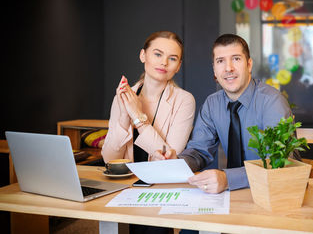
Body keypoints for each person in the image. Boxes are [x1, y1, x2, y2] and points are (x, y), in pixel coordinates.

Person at [153, 33, 293, 194]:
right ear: (214, 69)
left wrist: (228, 179)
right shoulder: (212, 104)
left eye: (236, 59)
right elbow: (199, 151)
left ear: (249, 65)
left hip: (273, 194)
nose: (228, 68)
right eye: (220, 61)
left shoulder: (272, 102)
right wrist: (175, 162)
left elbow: (281, 163)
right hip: (232, 198)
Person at [101, 31, 196, 165]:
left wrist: (138, 117)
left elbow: (168, 159)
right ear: (143, 55)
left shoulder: (184, 100)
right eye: (158, 54)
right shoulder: (123, 97)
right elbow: (109, 160)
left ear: (178, 66)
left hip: (162, 183)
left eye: (172, 58)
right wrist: (124, 117)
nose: (164, 62)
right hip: (126, 183)